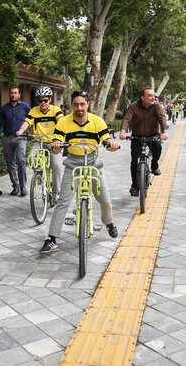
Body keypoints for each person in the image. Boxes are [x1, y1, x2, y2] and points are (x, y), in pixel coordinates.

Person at [39, 90, 120, 254]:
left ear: (88, 104)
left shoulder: (97, 121)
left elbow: (106, 140)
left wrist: (111, 144)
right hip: (73, 165)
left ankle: (109, 222)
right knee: (63, 201)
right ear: (71, 106)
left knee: (104, 199)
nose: (79, 108)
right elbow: (58, 142)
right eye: (75, 105)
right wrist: (56, 146)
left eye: (82, 104)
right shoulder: (63, 122)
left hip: (93, 163)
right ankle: (52, 238)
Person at [17, 86, 64, 200]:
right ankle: (41, 176)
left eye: (45, 100)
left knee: (57, 166)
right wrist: (21, 130)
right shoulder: (34, 111)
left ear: (50, 100)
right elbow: (27, 122)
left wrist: (60, 138)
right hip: (38, 141)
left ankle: (56, 193)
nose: (42, 103)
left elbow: (62, 122)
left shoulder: (55, 110)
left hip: (54, 143)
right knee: (31, 158)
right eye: (40, 100)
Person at [119, 87, 169, 196]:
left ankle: (154, 165)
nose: (153, 97)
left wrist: (165, 131)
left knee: (158, 148)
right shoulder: (133, 106)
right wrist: (123, 131)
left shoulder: (156, 106)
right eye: (150, 95)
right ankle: (134, 186)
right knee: (134, 162)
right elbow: (127, 119)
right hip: (137, 136)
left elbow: (162, 118)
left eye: (153, 95)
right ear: (142, 98)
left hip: (153, 135)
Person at [0, 86, 31, 196]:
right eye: (11, 93)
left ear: (19, 95)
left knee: (20, 160)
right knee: (10, 163)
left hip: (21, 138)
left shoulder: (25, 107)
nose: (13, 95)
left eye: (15, 93)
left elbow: (32, 119)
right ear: (9, 94)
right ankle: (16, 186)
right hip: (7, 138)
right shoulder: (4, 108)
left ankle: (23, 187)